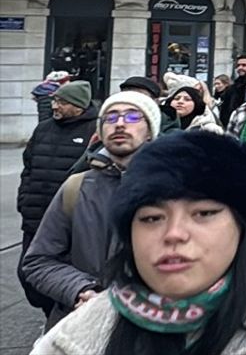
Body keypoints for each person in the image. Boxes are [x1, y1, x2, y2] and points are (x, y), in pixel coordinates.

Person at [31, 130, 246, 355]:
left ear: (241, 226)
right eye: (152, 218)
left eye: (203, 213)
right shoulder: (72, 338)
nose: (174, 233)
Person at [21, 92, 162, 328]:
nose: (119, 123)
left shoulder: (176, 190)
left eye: (132, 116)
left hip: (151, 328)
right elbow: (38, 260)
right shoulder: (76, 187)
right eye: (110, 117)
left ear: (150, 131)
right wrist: (81, 289)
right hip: (81, 326)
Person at [17, 80, 99, 317]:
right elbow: (28, 167)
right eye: (54, 100)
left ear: (78, 105)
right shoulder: (43, 128)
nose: (56, 105)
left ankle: (59, 319)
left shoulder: (93, 130)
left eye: (61, 101)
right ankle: (49, 311)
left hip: (70, 219)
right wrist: (24, 199)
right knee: (28, 275)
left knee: (63, 276)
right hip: (35, 215)